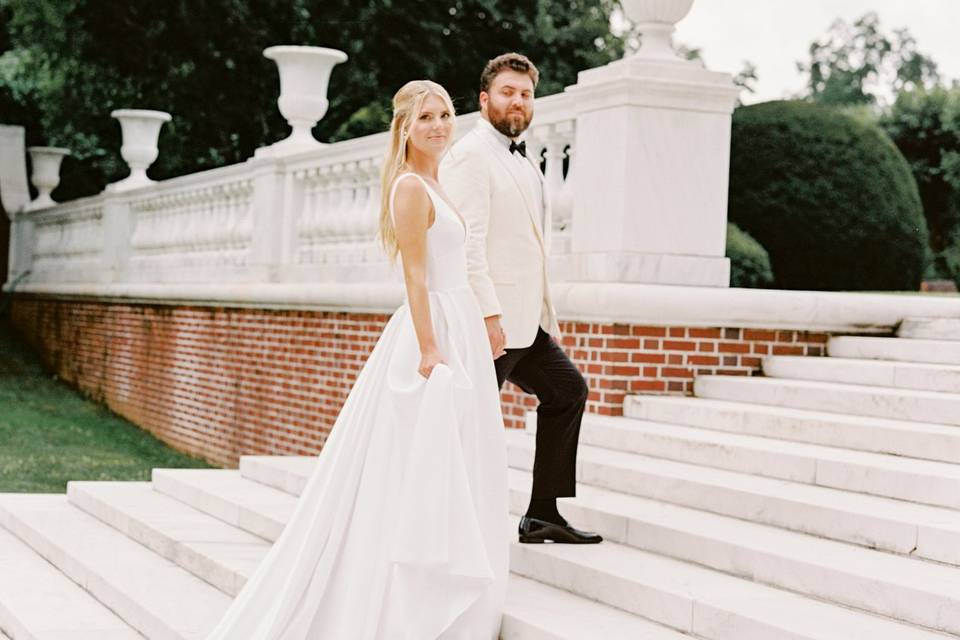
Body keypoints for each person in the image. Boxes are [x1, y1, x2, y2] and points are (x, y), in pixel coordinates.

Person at [205, 80, 508, 639]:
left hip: (461, 321)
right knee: (417, 466)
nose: (439, 125)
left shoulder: (440, 183)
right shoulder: (411, 188)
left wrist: (482, 321)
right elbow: (415, 276)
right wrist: (429, 348)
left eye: (444, 114)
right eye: (425, 118)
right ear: (404, 129)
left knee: (456, 461)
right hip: (433, 330)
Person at [441, 53, 602, 545]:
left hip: (525, 323)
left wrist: (543, 316)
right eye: (508, 92)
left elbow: (527, 247)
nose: (518, 101)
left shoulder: (524, 161)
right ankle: (447, 525)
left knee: (567, 391)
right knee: (467, 423)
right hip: (489, 321)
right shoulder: (471, 155)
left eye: (527, 93)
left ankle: (542, 513)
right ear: (485, 99)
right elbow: (467, 243)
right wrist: (488, 315)